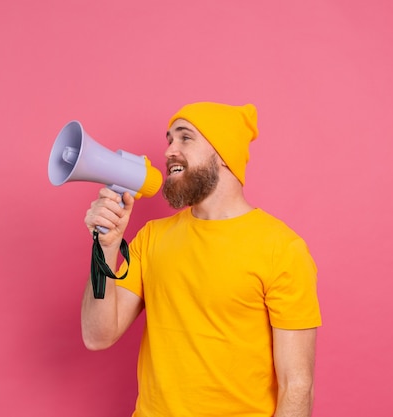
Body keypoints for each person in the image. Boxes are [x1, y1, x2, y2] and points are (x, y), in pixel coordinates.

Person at [81, 102, 322, 417]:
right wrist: (106, 246)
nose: (168, 151)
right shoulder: (152, 238)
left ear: (223, 154)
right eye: (169, 140)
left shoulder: (282, 248)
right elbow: (97, 335)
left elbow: (297, 385)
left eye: (185, 138)